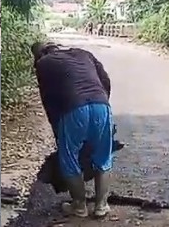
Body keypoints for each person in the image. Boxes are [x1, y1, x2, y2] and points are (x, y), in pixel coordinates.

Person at [32, 42, 114, 218]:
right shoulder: (83, 53)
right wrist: (102, 103)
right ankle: (101, 205)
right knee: (103, 156)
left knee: (68, 157)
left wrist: (57, 129)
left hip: (73, 108)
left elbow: (48, 98)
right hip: (101, 104)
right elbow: (105, 80)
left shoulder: (43, 63)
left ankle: (79, 206)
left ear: (38, 55)